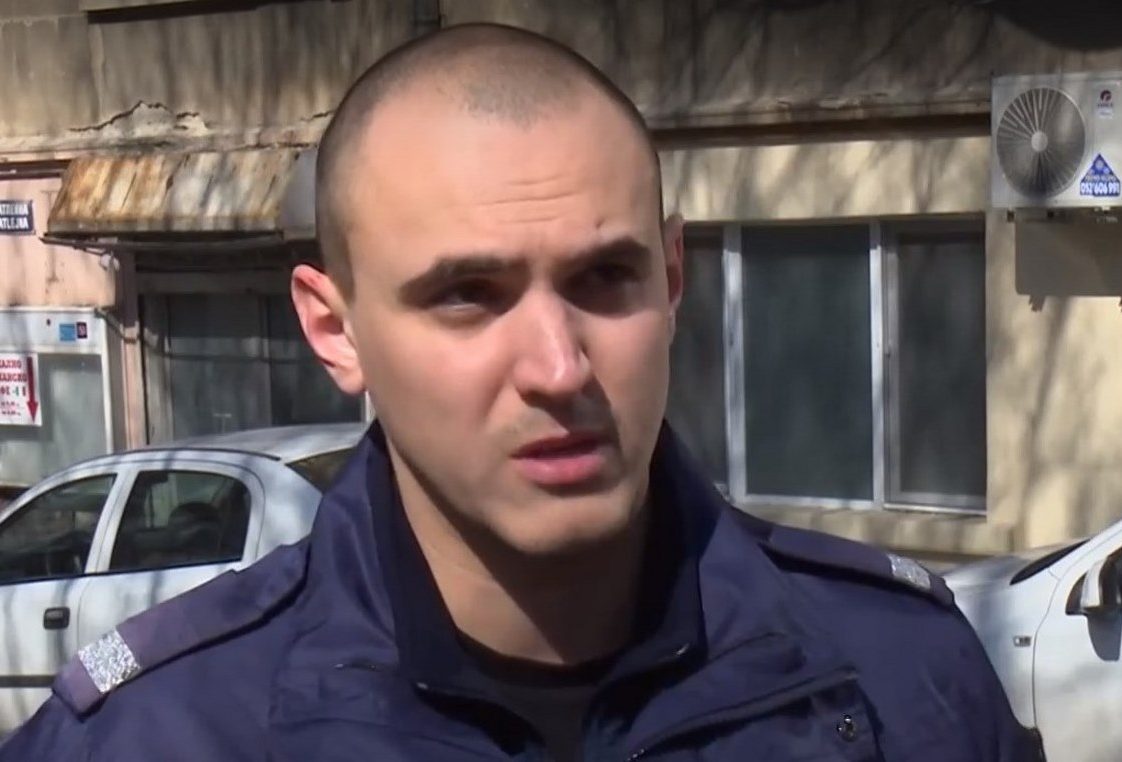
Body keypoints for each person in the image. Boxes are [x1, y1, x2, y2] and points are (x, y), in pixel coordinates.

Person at [1, 23, 1038, 761]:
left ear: (673, 281)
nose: (558, 367)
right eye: (467, 295)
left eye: (606, 277)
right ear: (334, 329)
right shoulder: (158, 734)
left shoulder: (907, 681)